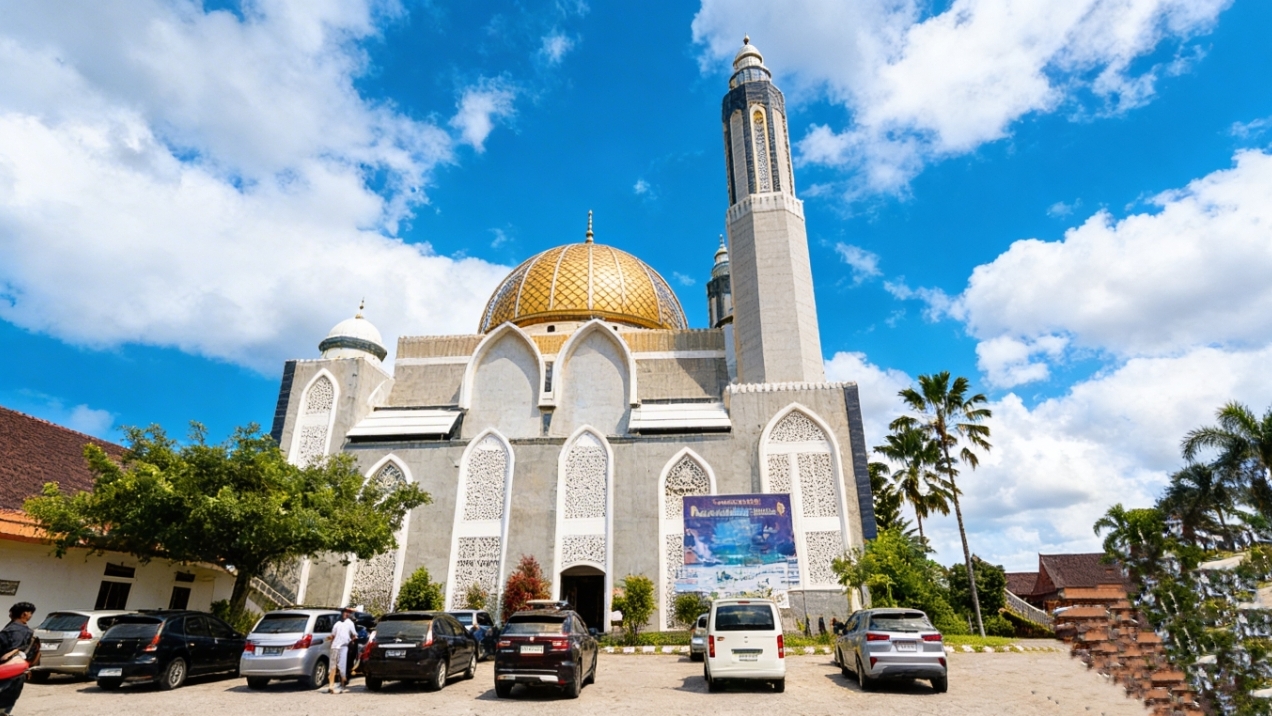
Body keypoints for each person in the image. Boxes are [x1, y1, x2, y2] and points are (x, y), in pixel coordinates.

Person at [0, 602, 36, 716]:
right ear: (24, 614)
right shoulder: (20, 631)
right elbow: (15, 652)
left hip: (6, 671)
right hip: (10, 674)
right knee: (5, 704)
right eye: (30, 613)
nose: (30, 615)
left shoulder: (9, 628)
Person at [327, 608, 357, 694]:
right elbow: (332, 636)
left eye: (348, 612)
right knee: (333, 667)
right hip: (335, 646)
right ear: (343, 613)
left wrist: (350, 640)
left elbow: (355, 635)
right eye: (345, 612)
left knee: (341, 666)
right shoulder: (337, 624)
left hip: (343, 647)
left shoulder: (350, 624)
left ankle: (342, 684)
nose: (346, 614)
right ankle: (331, 685)